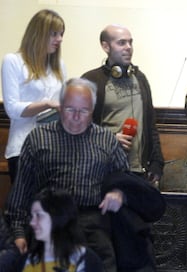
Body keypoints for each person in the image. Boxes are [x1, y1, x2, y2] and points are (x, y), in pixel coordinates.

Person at [5, 77, 130, 272]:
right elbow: (22, 191)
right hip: (47, 223)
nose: (76, 117)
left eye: (84, 111)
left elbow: (126, 180)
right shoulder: (38, 138)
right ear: (60, 107)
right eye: (71, 109)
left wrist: (118, 192)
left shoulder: (106, 140)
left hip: (92, 222)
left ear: (92, 111)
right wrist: (19, 233)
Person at [82, 24, 164, 187]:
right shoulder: (91, 80)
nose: (128, 48)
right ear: (106, 46)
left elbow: (150, 125)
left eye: (130, 42)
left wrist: (157, 162)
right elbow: (81, 129)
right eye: (121, 43)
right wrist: (110, 139)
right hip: (105, 170)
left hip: (139, 171)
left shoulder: (140, 78)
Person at [1, 9, 66, 183]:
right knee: (26, 207)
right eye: (54, 34)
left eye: (61, 34)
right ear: (39, 33)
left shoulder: (59, 66)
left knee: (54, 207)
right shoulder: (13, 61)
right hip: (23, 148)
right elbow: (13, 109)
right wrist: (47, 104)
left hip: (54, 148)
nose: (59, 39)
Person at [22, 188, 104, 272]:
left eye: (39, 215)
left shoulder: (86, 259)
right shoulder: (30, 260)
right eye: (32, 216)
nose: (32, 222)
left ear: (58, 217)